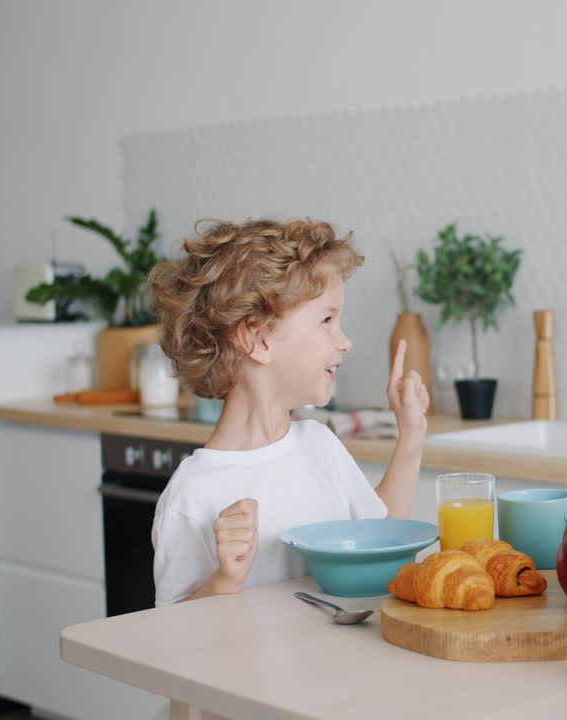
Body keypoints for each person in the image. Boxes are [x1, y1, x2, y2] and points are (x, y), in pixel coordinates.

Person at [147, 218, 429, 607]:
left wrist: (411, 434)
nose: (345, 341)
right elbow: (170, 633)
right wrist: (225, 580)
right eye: (327, 320)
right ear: (257, 338)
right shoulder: (193, 494)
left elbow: (378, 533)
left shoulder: (319, 444)